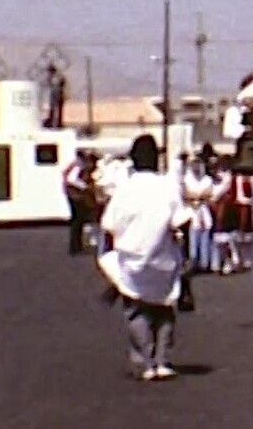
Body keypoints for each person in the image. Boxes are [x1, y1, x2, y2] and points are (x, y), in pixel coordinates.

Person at [96, 134, 195, 381]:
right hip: (164, 258)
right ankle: (163, 360)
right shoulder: (167, 187)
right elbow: (182, 221)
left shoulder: (124, 190)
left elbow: (108, 225)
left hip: (131, 260)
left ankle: (146, 360)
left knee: (136, 310)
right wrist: (187, 257)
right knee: (164, 309)